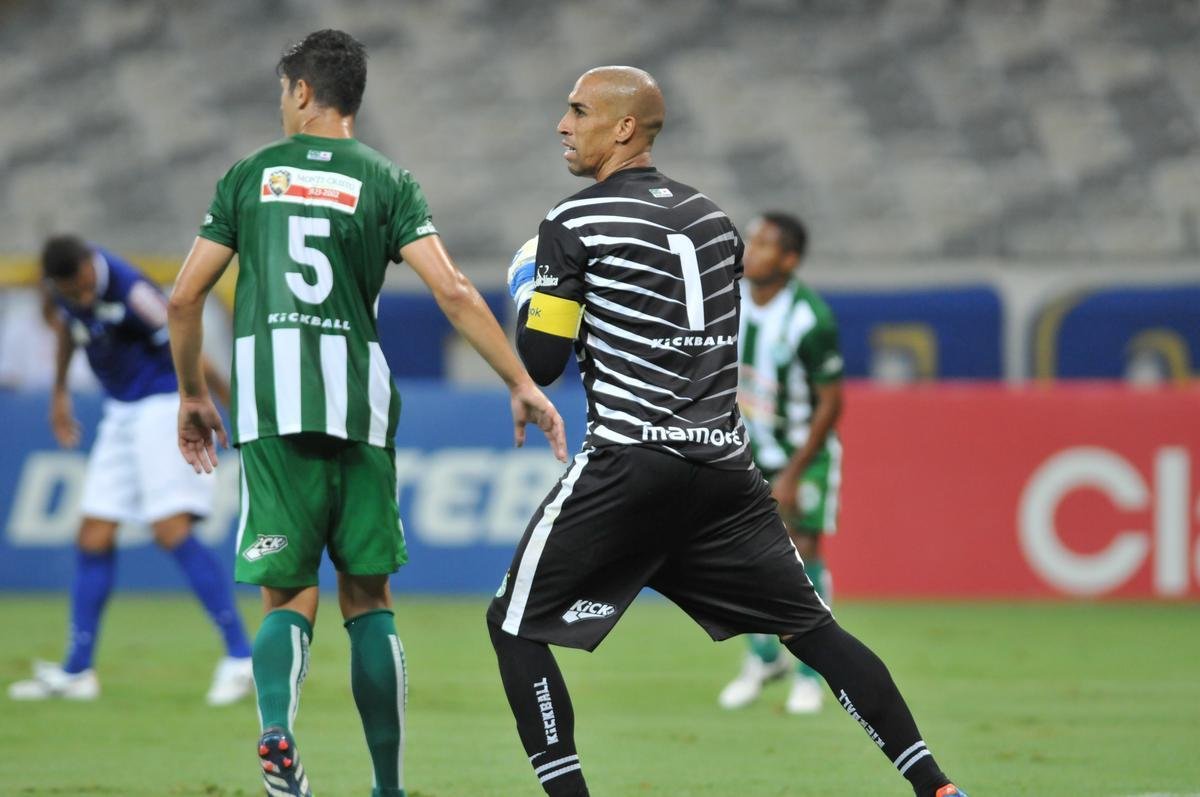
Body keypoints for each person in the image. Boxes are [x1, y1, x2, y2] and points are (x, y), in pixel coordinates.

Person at [487, 66, 968, 797]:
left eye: (578, 111)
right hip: (723, 468)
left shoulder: (572, 223)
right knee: (814, 630)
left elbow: (543, 360)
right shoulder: (716, 221)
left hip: (631, 460)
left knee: (514, 624)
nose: (563, 124)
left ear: (623, 128)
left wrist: (530, 288)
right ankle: (935, 785)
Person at [166, 29, 566, 797]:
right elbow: (452, 291)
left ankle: (277, 730)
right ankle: (387, 788)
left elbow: (183, 297)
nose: (283, 104)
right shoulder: (388, 181)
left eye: (285, 91)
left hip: (273, 410)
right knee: (368, 599)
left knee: (287, 596)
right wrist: (519, 378)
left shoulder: (250, 177)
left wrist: (192, 393)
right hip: (360, 408)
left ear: (305, 93)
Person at [7, 235, 254, 706]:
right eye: (68, 291)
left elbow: (187, 340)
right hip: (121, 411)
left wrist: (226, 403)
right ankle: (78, 671)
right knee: (93, 535)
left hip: (165, 405)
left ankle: (240, 659)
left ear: (89, 267)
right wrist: (60, 392)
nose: (79, 297)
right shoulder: (64, 288)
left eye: (81, 287)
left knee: (170, 530)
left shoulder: (130, 287)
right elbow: (67, 329)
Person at [718, 212, 843, 714]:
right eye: (752, 239)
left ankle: (812, 672)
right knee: (737, 556)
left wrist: (793, 473)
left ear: (789, 260)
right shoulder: (728, 296)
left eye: (766, 244)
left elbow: (832, 402)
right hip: (741, 450)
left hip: (798, 455)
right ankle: (764, 658)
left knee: (803, 550)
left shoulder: (810, 319)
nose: (752, 249)